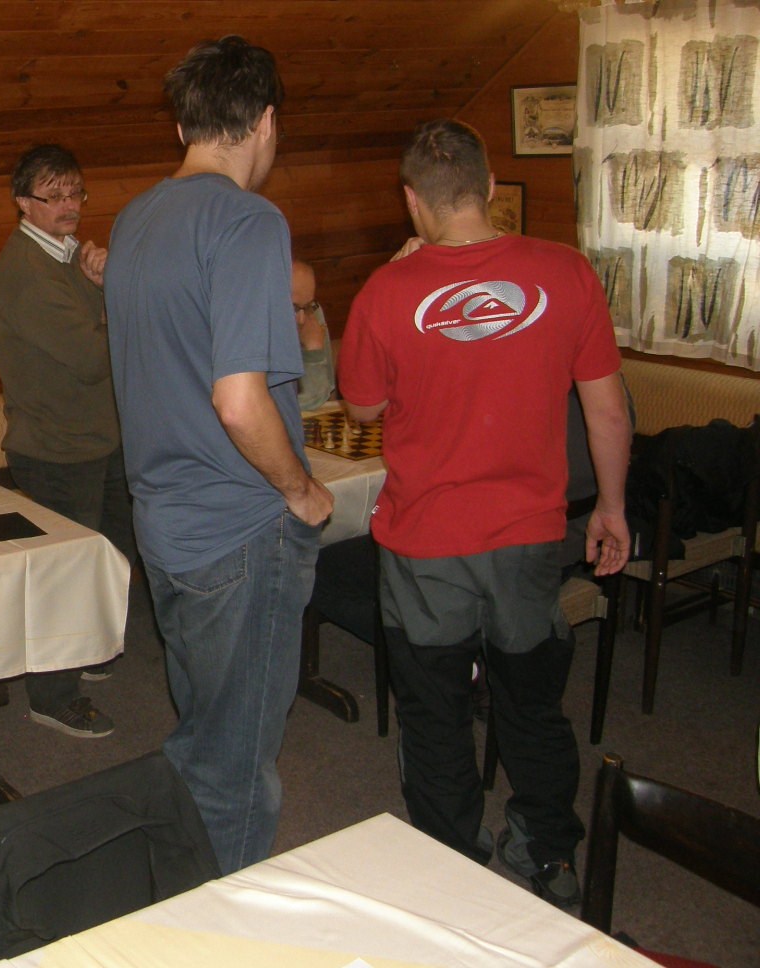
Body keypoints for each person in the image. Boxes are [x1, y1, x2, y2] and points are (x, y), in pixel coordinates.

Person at [340, 119, 632, 908]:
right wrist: (611, 507)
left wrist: (398, 279)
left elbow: (361, 406)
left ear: (412, 201)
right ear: (491, 188)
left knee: (434, 712)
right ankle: (548, 853)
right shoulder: (566, 271)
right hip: (528, 540)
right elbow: (607, 410)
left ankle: (449, 864)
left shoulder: (386, 291)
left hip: (425, 545)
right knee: (531, 701)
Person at [103, 36, 333, 873]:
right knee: (236, 767)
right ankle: (215, 920)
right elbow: (239, 399)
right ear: (265, 122)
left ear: (183, 127)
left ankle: (178, 885)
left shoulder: (135, 218)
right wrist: (300, 490)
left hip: (164, 526)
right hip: (239, 531)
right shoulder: (247, 220)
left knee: (201, 735)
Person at [0, 143, 130, 739]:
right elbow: (95, 356)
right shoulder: (27, 272)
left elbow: (99, 333)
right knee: (64, 579)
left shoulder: (67, 256)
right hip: (56, 449)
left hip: (99, 438)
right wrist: (113, 295)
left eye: (76, 193)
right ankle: (52, 696)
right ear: (23, 203)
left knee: (109, 560)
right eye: (54, 196)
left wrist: (100, 282)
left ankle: (87, 653)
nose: (69, 205)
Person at [292, 258, 336, 411]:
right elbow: (288, 407)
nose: (301, 320)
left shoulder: (313, 313)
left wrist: (314, 350)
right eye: (292, 307)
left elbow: (326, 393)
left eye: (308, 305)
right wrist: (313, 355)